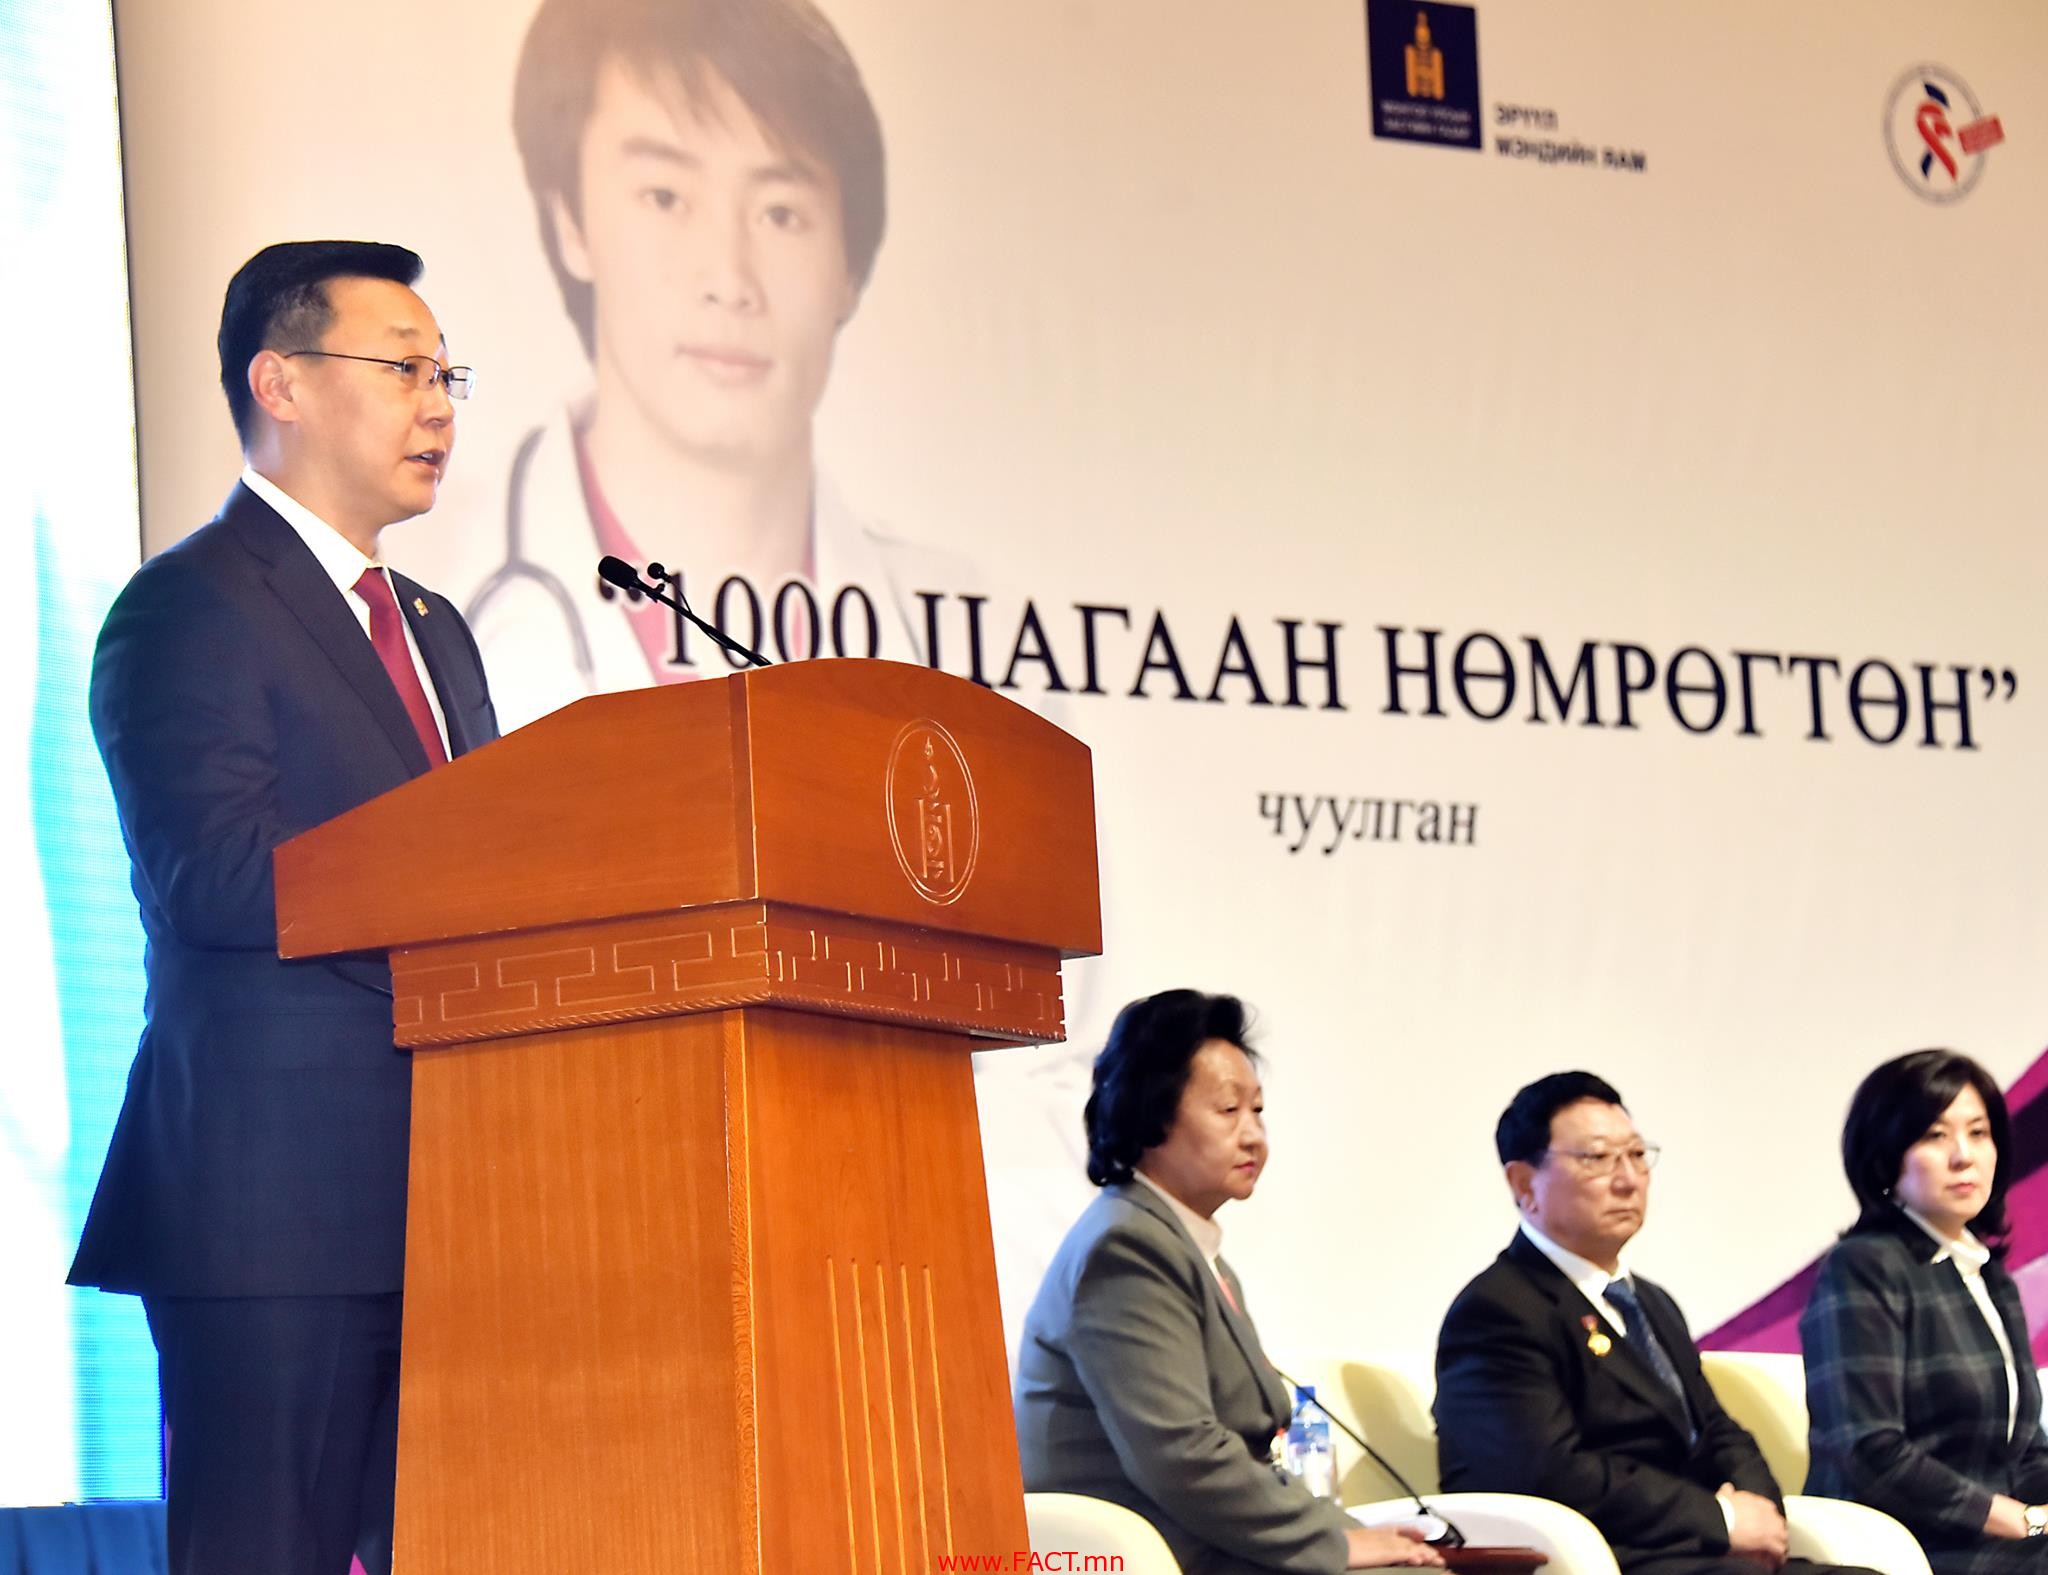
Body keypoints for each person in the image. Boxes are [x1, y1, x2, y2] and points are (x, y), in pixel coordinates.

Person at [68, 240, 499, 1575]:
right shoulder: (190, 604)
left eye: (448, 376)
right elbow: (211, 875)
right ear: (283, 384)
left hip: (462, 1194)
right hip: (273, 1213)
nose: (438, 405)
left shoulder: (433, 625)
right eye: (406, 369)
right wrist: (455, 880)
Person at [468, 0, 950, 725]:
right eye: (666, 197)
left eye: (780, 213)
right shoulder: (428, 593)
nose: (730, 280)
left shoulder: (991, 665)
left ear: (849, 268)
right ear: (571, 222)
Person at [1014, 989, 1445, 1575]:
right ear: (1152, 1115)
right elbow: (1183, 1456)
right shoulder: (1126, 1249)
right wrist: (1340, 1545)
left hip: (1210, 1543)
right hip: (1157, 1554)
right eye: (1228, 1110)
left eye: (1258, 1111)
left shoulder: (1186, 1247)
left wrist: (1348, 1533)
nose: (1253, 1135)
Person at [1435, 1071, 1867, 1575]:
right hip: (1605, 1560)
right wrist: (1721, 1519)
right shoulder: (1498, 1310)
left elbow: (1717, 1431)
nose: (1628, 1179)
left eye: (1637, 1155)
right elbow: (1548, 1474)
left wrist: (1758, 1512)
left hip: (1696, 1555)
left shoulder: (1651, 1303)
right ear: (1524, 1184)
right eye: (1597, 1158)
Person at [1802, 1050, 2048, 1574]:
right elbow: (1868, 1450)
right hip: (1906, 1540)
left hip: (2001, 1535)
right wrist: (2017, 1519)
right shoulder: (1862, 1266)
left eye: (1978, 1133)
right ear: (1886, 1154)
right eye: (1935, 1136)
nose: (1964, 1156)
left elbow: (2025, 1448)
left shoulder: (1989, 1277)